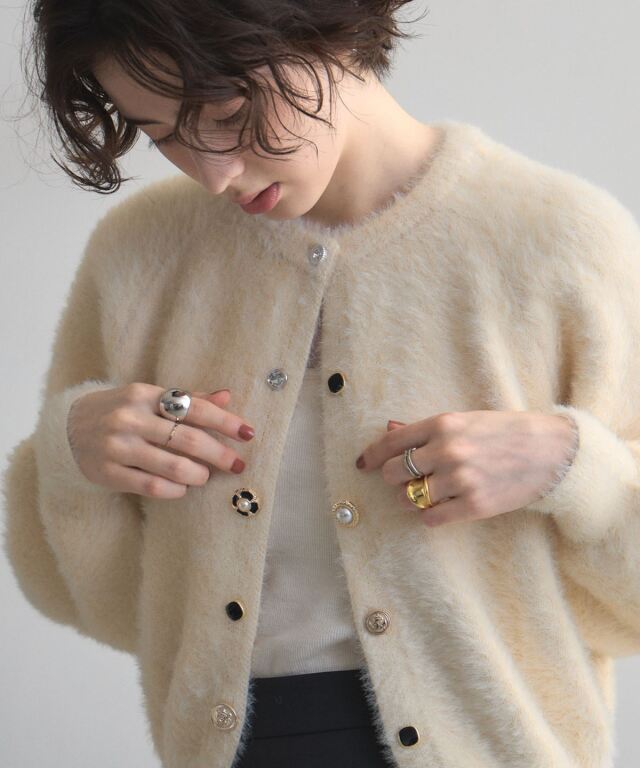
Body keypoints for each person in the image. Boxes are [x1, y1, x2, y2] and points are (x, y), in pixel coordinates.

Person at [4, 2, 640, 767]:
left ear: (324, 26)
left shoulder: (560, 243)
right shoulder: (141, 255)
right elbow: (94, 606)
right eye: (162, 133)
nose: (213, 172)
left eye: (226, 113)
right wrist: (71, 458)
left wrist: (574, 465)